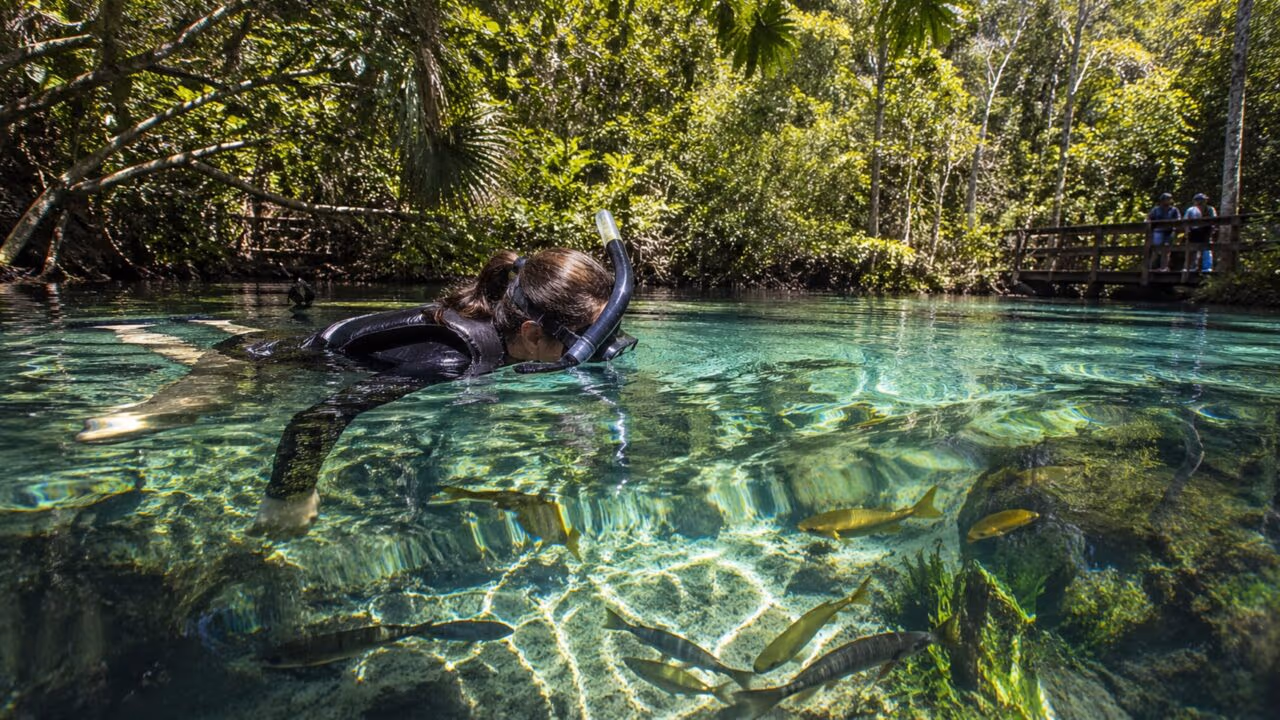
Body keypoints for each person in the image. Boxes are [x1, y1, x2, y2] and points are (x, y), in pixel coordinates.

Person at [78, 211, 637, 536]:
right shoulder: (451, 358)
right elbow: (321, 413)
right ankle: (134, 340)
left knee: (205, 350)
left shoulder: (489, 323)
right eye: (593, 339)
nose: (602, 350)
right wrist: (288, 496)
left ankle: (148, 333)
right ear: (535, 333)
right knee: (142, 422)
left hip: (278, 349)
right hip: (255, 367)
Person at [1184, 192, 1218, 272]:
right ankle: (1192, 267)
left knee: (1207, 249)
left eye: (1202, 200)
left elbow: (1215, 220)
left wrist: (1212, 229)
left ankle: (1207, 268)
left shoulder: (1210, 209)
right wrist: (1186, 231)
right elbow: (1185, 221)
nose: (1200, 202)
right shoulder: (1191, 210)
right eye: (1198, 200)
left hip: (1206, 231)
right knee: (1193, 250)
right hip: (1194, 231)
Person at [1148, 192, 1180, 272]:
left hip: (1169, 232)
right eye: (1166, 199)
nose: (1168, 201)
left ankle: (1164, 267)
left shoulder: (1174, 210)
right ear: (1162, 200)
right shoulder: (1156, 209)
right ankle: (1151, 267)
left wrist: (1174, 225)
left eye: (1169, 199)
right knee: (1156, 249)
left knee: (1166, 249)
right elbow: (1149, 218)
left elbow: (1178, 220)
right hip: (1158, 231)